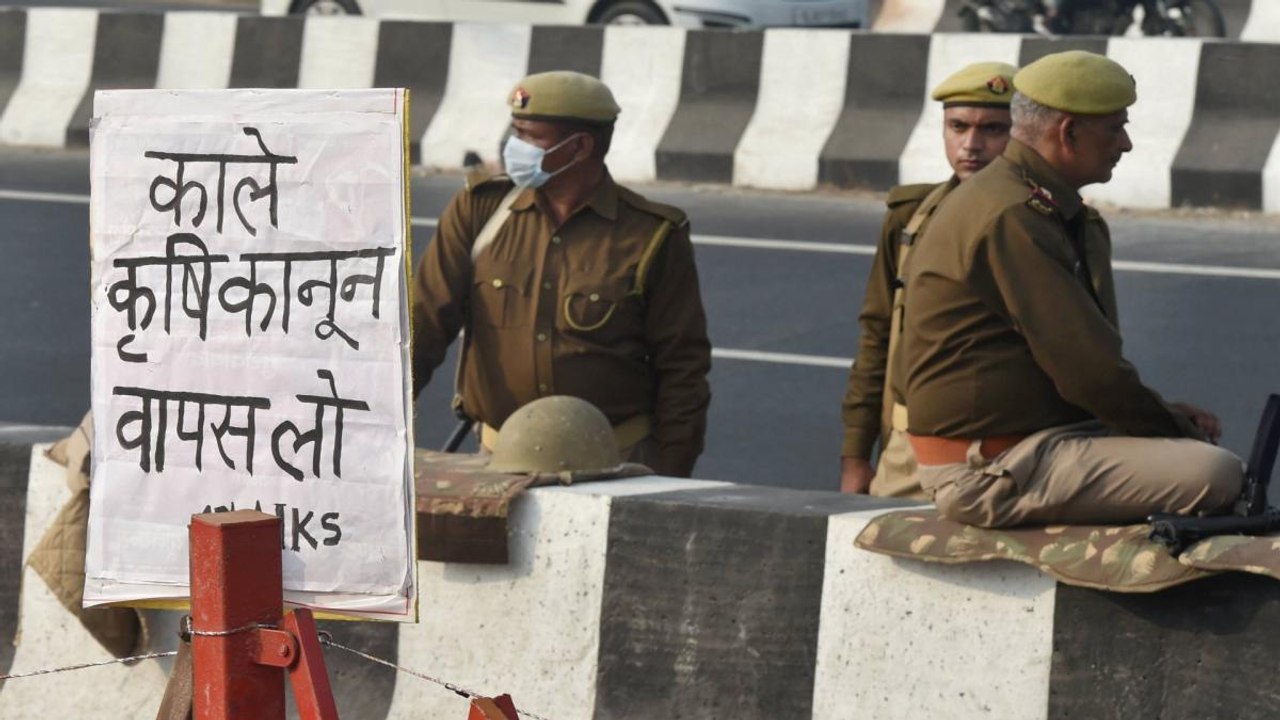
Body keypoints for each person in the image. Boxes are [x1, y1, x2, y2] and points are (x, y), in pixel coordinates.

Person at [899, 50, 1243, 528]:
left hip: (1030, 442)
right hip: (988, 469)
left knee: (1186, 455)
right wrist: (1174, 429)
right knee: (1217, 473)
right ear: (1069, 132)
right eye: (1114, 128)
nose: (1124, 144)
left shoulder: (1026, 199)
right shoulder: (1014, 215)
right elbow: (1090, 372)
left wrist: (1161, 417)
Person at [411, 71, 712, 478]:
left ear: (581, 146)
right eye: (515, 132)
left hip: (613, 462)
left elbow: (683, 367)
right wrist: (377, 424)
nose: (514, 148)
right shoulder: (480, 211)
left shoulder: (651, 235)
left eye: (531, 137)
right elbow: (422, 323)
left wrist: (670, 475)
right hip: (498, 459)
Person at [840, 61, 1017, 498]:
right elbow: (877, 338)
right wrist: (856, 456)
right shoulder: (908, 220)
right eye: (958, 126)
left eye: (994, 129)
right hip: (907, 454)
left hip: (1009, 458)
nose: (971, 145)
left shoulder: (1053, 225)